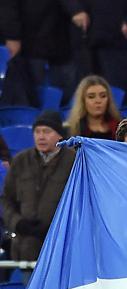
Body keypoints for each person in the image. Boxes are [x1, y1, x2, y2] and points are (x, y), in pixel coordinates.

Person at [1, 111, 76, 279]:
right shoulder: (21, 161)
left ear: (59, 135)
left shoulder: (73, 161)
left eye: (47, 131)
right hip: (26, 249)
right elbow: (6, 200)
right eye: (37, 131)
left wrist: (55, 226)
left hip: (61, 248)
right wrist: (17, 223)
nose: (41, 136)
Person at [0, 0, 76, 107]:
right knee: (32, 93)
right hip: (31, 43)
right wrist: (12, 35)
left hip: (62, 40)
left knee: (67, 93)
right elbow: (8, 6)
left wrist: (76, 9)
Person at [65, 1, 127, 92]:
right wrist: (75, 9)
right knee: (85, 93)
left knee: (116, 93)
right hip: (82, 36)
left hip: (117, 38)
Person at [64, 75, 121, 139]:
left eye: (103, 96)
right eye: (91, 97)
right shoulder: (73, 130)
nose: (98, 101)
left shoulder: (119, 127)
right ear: (82, 101)